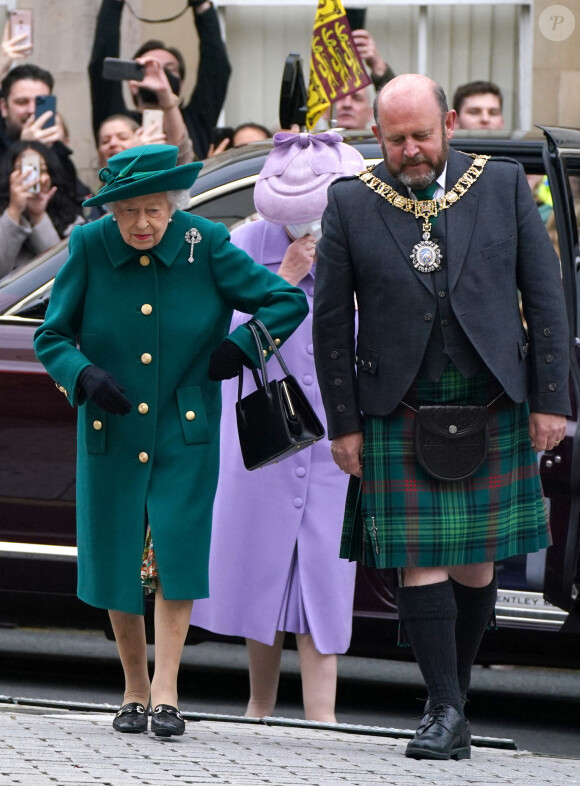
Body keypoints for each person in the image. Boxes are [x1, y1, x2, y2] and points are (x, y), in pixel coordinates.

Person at [312, 74, 570, 760]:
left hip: (491, 401)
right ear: (377, 137)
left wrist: (552, 400)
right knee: (420, 561)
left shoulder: (503, 184)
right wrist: (344, 424)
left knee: (478, 565)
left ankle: (450, 699)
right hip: (398, 404)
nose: (411, 151)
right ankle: (446, 709)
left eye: (422, 135)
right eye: (395, 140)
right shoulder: (350, 202)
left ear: (449, 123)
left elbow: (546, 302)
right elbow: (331, 326)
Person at [33, 144, 308, 737]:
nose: (140, 224)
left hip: (185, 430)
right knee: (120, 557)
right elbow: (51, 335)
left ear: (173, 205)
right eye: (127, 210)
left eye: (153, 210)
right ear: (110, 211)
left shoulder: (204, 242)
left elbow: (285, 299)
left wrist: (245, 344)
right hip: (111, 425)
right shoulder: (88, 246)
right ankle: (133, 688)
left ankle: (167, 693)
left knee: (174, 556)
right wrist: (81, 373)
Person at [191, 131, 363, 722]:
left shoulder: (361, 240)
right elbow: (220, 345)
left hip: (336, 440)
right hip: (263, 434)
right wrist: (284, 280)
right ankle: (257, 706)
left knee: (324, 577)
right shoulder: (243, 242)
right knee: (260, 569)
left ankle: (324, 716)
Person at [89, 0, 230, 160]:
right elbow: (101, 68)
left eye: (168, 69)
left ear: (181, 84)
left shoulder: (196, 120)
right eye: (149, 68)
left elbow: (216, 71)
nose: (159, 74)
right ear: (132, 84)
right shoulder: (117, 123)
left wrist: (203, 7)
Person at [0, 64, 92, 209]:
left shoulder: (57, 150)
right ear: (4, 108)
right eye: (22, 102)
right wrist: (24, 149)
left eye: (39, 103)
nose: (31, 110)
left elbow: (71, 205)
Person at [0, 140, 84, 279]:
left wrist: (38, 216)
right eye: (22, 170)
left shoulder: (72, 218)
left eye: (41, 170)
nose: (33, 178)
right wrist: (14, 211)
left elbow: (67, 269)